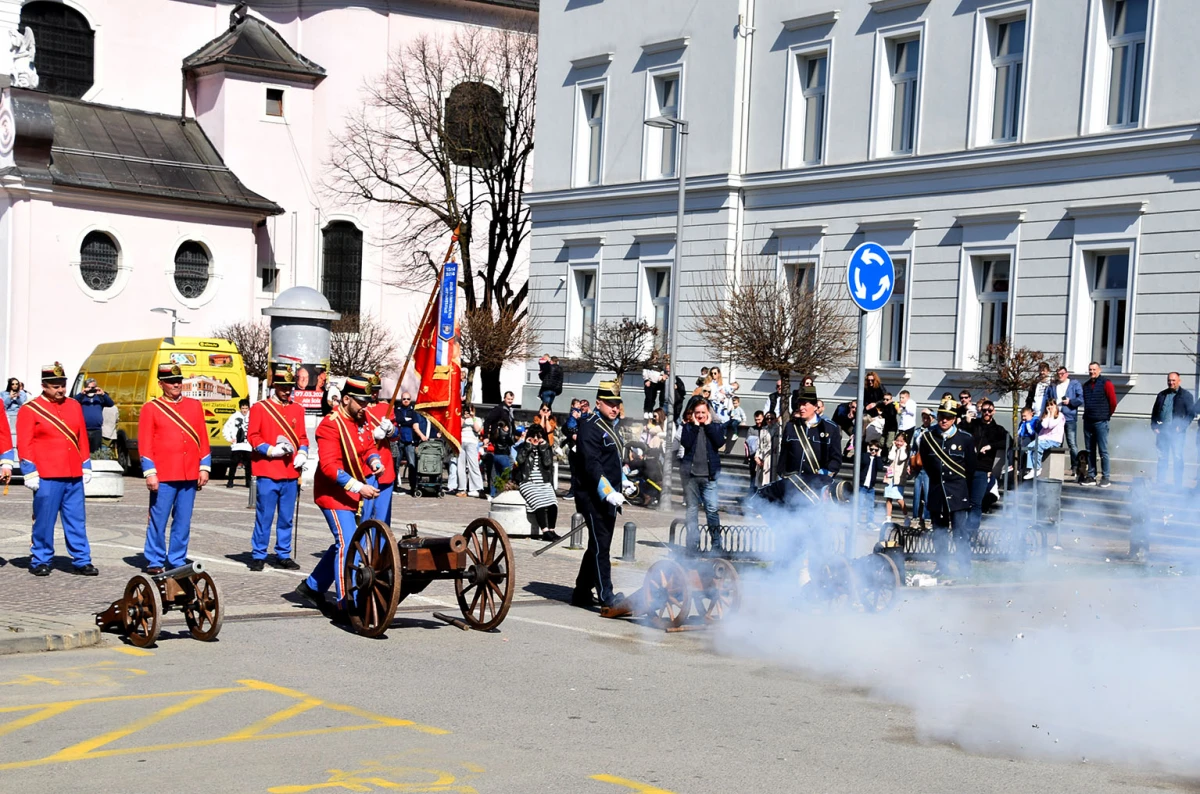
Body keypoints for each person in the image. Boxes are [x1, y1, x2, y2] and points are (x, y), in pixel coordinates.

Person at [294, 374, 381, 618]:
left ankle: (312, 587)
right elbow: (329, 468)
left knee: (347, 541)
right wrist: (358, 487)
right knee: (349, 543)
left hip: (353, 493)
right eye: (361, 403)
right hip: (333, 493)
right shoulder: (330, 424)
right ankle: (347, 602)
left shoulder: (360, 420)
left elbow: (369, 447)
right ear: (346, 400)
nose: (366, 407)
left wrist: (374, 462)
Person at [17, 363, 96, 576]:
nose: (60, 389)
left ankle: (82, 559)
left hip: (72, 473)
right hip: (46, 475)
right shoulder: (30, 409)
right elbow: (25, 443)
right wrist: (29, 470)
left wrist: (85, 464)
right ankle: (41, 559)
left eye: (62, 384)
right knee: (44, 519)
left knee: (76, 519)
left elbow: (81, 437)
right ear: (44, 386)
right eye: (55, 386)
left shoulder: (74, 405)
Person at [138, 363, 211, 575]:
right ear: (161, 384)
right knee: (158, 519)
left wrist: (204, 467)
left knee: (183, 520)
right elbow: (145, 443)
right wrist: (150, 472)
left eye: (178, 381)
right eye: (171, 382)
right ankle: (154, 559)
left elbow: (202, 438)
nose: (176, 385)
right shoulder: (151, 409)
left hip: (188, 473)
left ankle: (177, 558)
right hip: (164, 474)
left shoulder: (194, 406)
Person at [569, 381, 626, 610]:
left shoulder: (608, 424)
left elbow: (613, 460)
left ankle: (582, 592)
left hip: (608, 495)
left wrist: (625, 483)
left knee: (597, 545)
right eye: (610, 403)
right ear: (598, 403)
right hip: (592, 496)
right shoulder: (589, 426)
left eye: (617, 404)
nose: (615, 408)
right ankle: (606, 597)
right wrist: (608, 492)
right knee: (602, 547)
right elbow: (592, 464)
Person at [247, 364, 309, 571]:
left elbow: (302, 437)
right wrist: (270, 450)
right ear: (275, 386)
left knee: (286, 517)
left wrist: (303, 452)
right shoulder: (260, 408)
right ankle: (258, 554)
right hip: (268, 470)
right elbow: (253, 436)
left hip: (290, 472)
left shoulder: (297, 409)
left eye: (289, 386)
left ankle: (283, 553)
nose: (287, 390)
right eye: (283, 386)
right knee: (264, 515)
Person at [918, 398, 976, 579]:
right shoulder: (927, 438)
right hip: (937, 491)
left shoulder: (965, 439)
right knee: (939, 534)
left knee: (960, 533)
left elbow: (971, 468)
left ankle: (965, 568)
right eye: (942, 416)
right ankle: (942, 566)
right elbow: (927, 464)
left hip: (958, 492)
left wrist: (968, 495)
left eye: (948, 417)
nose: (944, 420)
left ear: (954, 419)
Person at [763, 386, 843, 505]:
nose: (801, 408)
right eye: (799, 404)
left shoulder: (830, 428)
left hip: (815, 489)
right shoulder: (791, 426)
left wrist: (823, 476)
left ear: (815, 406)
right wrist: (782, 477)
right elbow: (784, 456)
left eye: (805, 404)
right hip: (792, 486)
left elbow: (835, 459)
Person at [680, 399, 725, 550]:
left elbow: (719, 442)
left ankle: (716, 544)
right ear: (693, 414)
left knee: (711, 510)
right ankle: (693, 544)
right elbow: (686, 443)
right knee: (692, 510)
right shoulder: (688, 427)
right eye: (697, 413)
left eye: (703, 413)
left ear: (708, 413)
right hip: (691, 476)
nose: (700, 415)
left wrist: (709, 426)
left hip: (709, 476)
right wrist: (695, 426)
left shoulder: (716, 426)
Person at [966, 399, 1010, 531]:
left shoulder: (998, 429)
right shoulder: (973, 424)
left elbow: (1010, 441)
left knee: (976, 503)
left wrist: (991, 446)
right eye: (984, 410)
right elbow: (959, 433)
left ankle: (971, 532)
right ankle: (961, 532)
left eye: (989, 411)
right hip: (966, 468)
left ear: (994, 412)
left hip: (982, 469)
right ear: (980, 410)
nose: (987, 413)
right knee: (963, 502)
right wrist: (966, 421)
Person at [514, 423, 559, 541]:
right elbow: (519, 460)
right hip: (528, 482)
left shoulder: (545, 448)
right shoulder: (524, 447)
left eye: (538, 437)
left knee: (553, 503)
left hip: (543, 483)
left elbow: (547, 463)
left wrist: (544, 448)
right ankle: (545, 532)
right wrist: (527, 447)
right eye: (533, 437)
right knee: (539, 502)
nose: (536, 439)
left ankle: (551, 530)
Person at [1150, 372, 1194, 489]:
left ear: (1179, 381)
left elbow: (1191, 414)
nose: (1171, 382)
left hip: (1177, 433)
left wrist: (1182, 426)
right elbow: (1154, 413)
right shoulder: (1161, 395)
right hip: (1162, 432)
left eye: (1174, 380)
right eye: (1169, 380)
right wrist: (1155, 427)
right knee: (1162, 457)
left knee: (1177, 457)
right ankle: (1160, 483)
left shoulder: (1186, 395)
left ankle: (1177, 485)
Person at [363, 377, 399, 518]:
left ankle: (382, 541)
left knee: (382, 517)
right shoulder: (358, 409)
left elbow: (396, 436)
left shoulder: (386, 408)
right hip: (365, 466)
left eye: (376, 391)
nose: (374, 394)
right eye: (372, 390)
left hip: (384, 464)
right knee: (364, 515)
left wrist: (390, 430)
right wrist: (372, 435)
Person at [1081, 361, 1117, 487]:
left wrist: (1106, 415)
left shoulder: (1106, 383)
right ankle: (1091, 475)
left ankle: (1106, 477)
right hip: (1088, 421)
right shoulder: (1085, 386)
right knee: (1090, 450)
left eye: (1094, 369)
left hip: (1101, 421)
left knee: (1103, 450)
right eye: (1090, 370)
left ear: (1099, 370)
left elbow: (1113, 402)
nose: (1092, 372)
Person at [1041, 366, 1083, 473]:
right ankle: (1055, 467)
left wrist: (1070, 401)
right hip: (1055, 417)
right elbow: (1046, 399)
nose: (1061, 375)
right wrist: (1044, 414)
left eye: (1062, 373)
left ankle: (1075, 466)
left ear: (1067, 373)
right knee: (1056, 442)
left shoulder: (1074, 384)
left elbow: (1081, 399)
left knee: (1072, 442)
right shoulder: (1053, 385)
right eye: (1059, 374)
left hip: (1069, 417)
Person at [395, 391, 427, 496]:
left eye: (408, 399)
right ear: (401, 399)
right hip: (399, 440)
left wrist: (404, 421)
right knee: (395, 464)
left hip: (410, 441)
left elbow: (413, 424)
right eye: (404, 399)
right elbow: (398, 421)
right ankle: (395, 486)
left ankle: (413, 487)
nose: (406, 401)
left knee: (412, 465)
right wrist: (406, 421)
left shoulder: (413, 411)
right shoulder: (398, 410)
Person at [74, 377, 114, 455]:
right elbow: (73, 402)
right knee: (84, 452)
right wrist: (82, 393)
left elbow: (111, 404)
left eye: (93, 387)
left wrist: (103, 394)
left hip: (97, 430)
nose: (91, 389)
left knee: (96, 453)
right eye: (88, 387)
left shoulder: (99, 397)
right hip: (84, 430)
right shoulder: (82, 398)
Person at [908, 409, 933, 529]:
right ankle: (915, 518)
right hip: (918, 465)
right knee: (917, 494)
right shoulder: (918, 431)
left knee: (928, 494)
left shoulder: (934, 430)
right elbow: (913, 448)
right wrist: (910, 463)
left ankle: (927, 518)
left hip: (929, 467)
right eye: (924, 417)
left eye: (928, 417)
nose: (926, 420)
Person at [452, 405, 484, 497]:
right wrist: (463, 417)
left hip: (472, 443)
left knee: (473, 465)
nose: (468, 413)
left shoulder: (477, 419)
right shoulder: (462, 419)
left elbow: (477, 429)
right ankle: (462, 488)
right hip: (462, 442)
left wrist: (472, 418)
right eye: (466, 411)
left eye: (469, 411)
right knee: (460, 466)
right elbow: (458, 427)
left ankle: (476, 488)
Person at [1026, 402, 1064, 478]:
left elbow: (1050, 426)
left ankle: (1037, 467)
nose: (1050, 407)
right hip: (1044, 439)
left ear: (1055, 406)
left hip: (1054, 440)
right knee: (1029, 447)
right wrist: (1049, 415)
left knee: (1038, 446)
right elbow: (1045, 425)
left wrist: (1052, 414)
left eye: (1052, 405)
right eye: (1048, 405)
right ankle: (1032, 468)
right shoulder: (1046, 416)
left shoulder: (1060, 415)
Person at [222, 398, 252, 488]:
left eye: (246, 408)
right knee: (233, 464)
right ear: (240, 408)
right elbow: (226, 428)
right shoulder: (234, 416)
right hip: (237, 446)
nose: (244, 410)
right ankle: (230, 481)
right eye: (243, 408)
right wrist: (229, 438)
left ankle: (248, 481)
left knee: (248, 465)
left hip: (248, 446)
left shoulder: (252, 416)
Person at [884, 434, 909, 525]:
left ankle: (906, 517)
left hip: (899, 478)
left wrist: (903, 448)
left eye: (901, 441)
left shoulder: (905, 451)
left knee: (899, 498)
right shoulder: (893, 449)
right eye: (897, 440)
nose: (899, 443)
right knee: (888, 498)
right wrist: (894, 447)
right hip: (890, 476)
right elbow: (890, 457)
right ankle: (888, 518)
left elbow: (902, 458)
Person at [488, 419, 515, 496]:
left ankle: (492, 494)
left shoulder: (495, 433)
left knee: (497, 476)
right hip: (504, 456)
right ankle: (505, 493)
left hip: (496, 455)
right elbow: (512, 442)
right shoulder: (505, 434)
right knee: (507, 475)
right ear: (505, 426)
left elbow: (492, 441)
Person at [5, 377, 29, 453]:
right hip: (8, 415)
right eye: (13, 384)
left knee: (18, 434)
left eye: (16, 384)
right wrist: (10, 398)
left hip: (19, 415)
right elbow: (3, 405)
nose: (15, 386)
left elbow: (23, 404)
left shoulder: (22, 393)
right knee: (8, 435)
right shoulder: (3, 393)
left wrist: (18, 397)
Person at [1017, 407, 1038, 478]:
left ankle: (1020, 467)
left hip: (1029, 438)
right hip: (1021, 437)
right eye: (1022, 416)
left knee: (1023, 447)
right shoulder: (1022, 422)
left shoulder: (1034, 421)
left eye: (1025, 416)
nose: (1023, 418)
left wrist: (1027, 424)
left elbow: (1032, 433)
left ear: (1030, 414)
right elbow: (1019, 432)